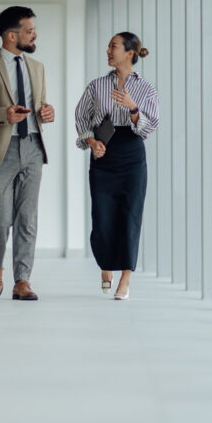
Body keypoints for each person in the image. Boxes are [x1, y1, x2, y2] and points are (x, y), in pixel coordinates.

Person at [0, 6, 55, 301]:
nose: (35, 35)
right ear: (11, 35)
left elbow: (41, 106)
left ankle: (22, 280)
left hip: (32, 145)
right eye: (30, 31)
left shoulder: (38, 68)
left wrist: (47, 111)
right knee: (1, 218)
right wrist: (4, 114)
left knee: (28, 218)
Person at [74, 32, 160, 300]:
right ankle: (106, 264)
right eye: (108, 46)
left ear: (130, 52)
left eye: (114, 46)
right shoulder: (96, 85)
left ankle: (125, 277)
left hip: (132, 153)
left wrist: (134, 109)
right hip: (103, 152)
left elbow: (151, 126)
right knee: (103, 216)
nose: (108, 50)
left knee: (130, 214)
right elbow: (81, 117)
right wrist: (90, 141)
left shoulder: (146, 89)